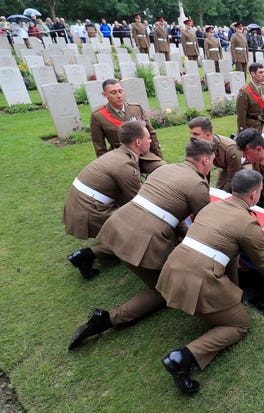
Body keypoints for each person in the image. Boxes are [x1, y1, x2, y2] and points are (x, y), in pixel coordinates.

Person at [67, 138, 215, 350]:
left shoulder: (166, 169)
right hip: (144, 240)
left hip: (118, 226)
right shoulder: (198, 185)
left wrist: (182, 234)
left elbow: (170, 209)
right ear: (205, 160)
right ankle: (108, 319)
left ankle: (90, 255)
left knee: (138, 252)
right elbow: (204, 225)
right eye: (212, 161)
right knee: (165, 290)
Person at [156, 169, 264, 394]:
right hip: (197, 279)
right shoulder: (248, 223)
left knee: (229, 293)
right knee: (239, 324)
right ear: (254, 194)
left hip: (172, 268)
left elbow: (229, 252)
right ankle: (183, 358)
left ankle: (222, 301)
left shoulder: (211, 206)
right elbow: (263, 263)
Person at [64, 121, 164, 279]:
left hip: (80, 205)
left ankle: (86, 256)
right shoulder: (125, 165)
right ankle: (88, 255)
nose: (151, 141)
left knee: (130, 230)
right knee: (138, 235)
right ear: (138, 142)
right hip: (89, 211)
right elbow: (141, 203)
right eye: (148, 138)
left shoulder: (119, 154)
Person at [90, 79, 163, 158]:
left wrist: (158, 157)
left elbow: (151, 133)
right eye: (113, 93)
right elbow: (99, 145)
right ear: (104, 94)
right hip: (120, 158)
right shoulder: (99, 116)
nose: (119, 96)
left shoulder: (136, 109)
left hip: (144, 154)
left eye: (120, 91)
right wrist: (106, 165)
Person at [188, 117, 243, 192]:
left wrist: (225, 194)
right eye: (191, 134)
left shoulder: (230, 150)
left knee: (233, 189)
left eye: (196, 134)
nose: (192, 138)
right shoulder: (200, 145)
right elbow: (203, 171)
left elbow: (231, 179)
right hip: (225, 166)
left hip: (241, 166)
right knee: (218, 189)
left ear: (208, 135)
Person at [236, 63, 264, 133]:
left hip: (261, 124)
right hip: (250, 126)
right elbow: (241, 115)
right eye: (260, 72)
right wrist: (242, 131)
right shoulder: (244, 91)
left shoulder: (262, 87)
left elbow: (263, 108)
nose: (263, 75)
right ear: (253, 74)